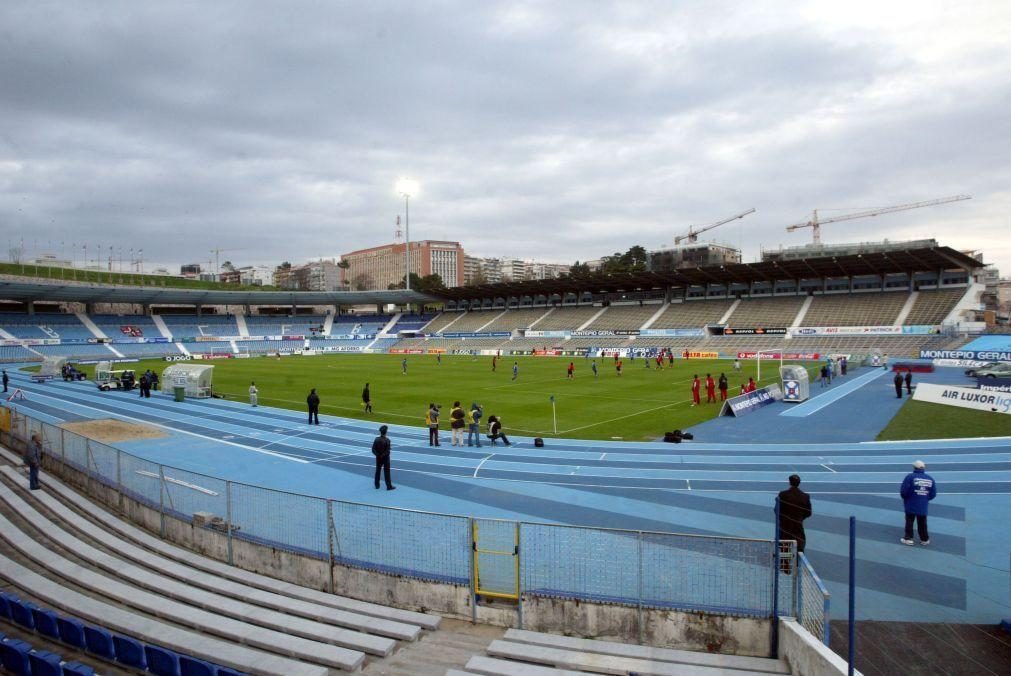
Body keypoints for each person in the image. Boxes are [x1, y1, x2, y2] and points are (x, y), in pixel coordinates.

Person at [900, 460, 936, 545]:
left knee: (909, 521)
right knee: (922, 522)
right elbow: (933, 493)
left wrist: (907, 498)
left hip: (911, 503)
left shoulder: (910, 477)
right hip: (923, 505)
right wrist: (925, 498)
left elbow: (904, 491)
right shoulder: (930, 479)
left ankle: (908, 538)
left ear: (914, 467)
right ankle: (925, 539)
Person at [776, 475, 812, 555]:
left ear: (789, 482)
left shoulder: (783, 494)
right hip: (798, 526)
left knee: (784, 550)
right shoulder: (805, 496)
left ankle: (785, 564)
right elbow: (808, 512)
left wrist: (784, 518)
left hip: (785, 527)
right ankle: (797, 564)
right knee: (799, 549)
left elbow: (777, 510)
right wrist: (800, 518)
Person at [371, 425, 395, 490]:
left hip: (378, 458)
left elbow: (373, 449)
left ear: (380, 432)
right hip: (386, 459)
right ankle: (388, 486)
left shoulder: (376, 439)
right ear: (386, 432)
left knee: (377, 471)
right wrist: (383, 455)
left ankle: (377, 485)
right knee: (387, 472)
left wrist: (378, 455)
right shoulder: (388, 440)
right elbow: (388, 451)